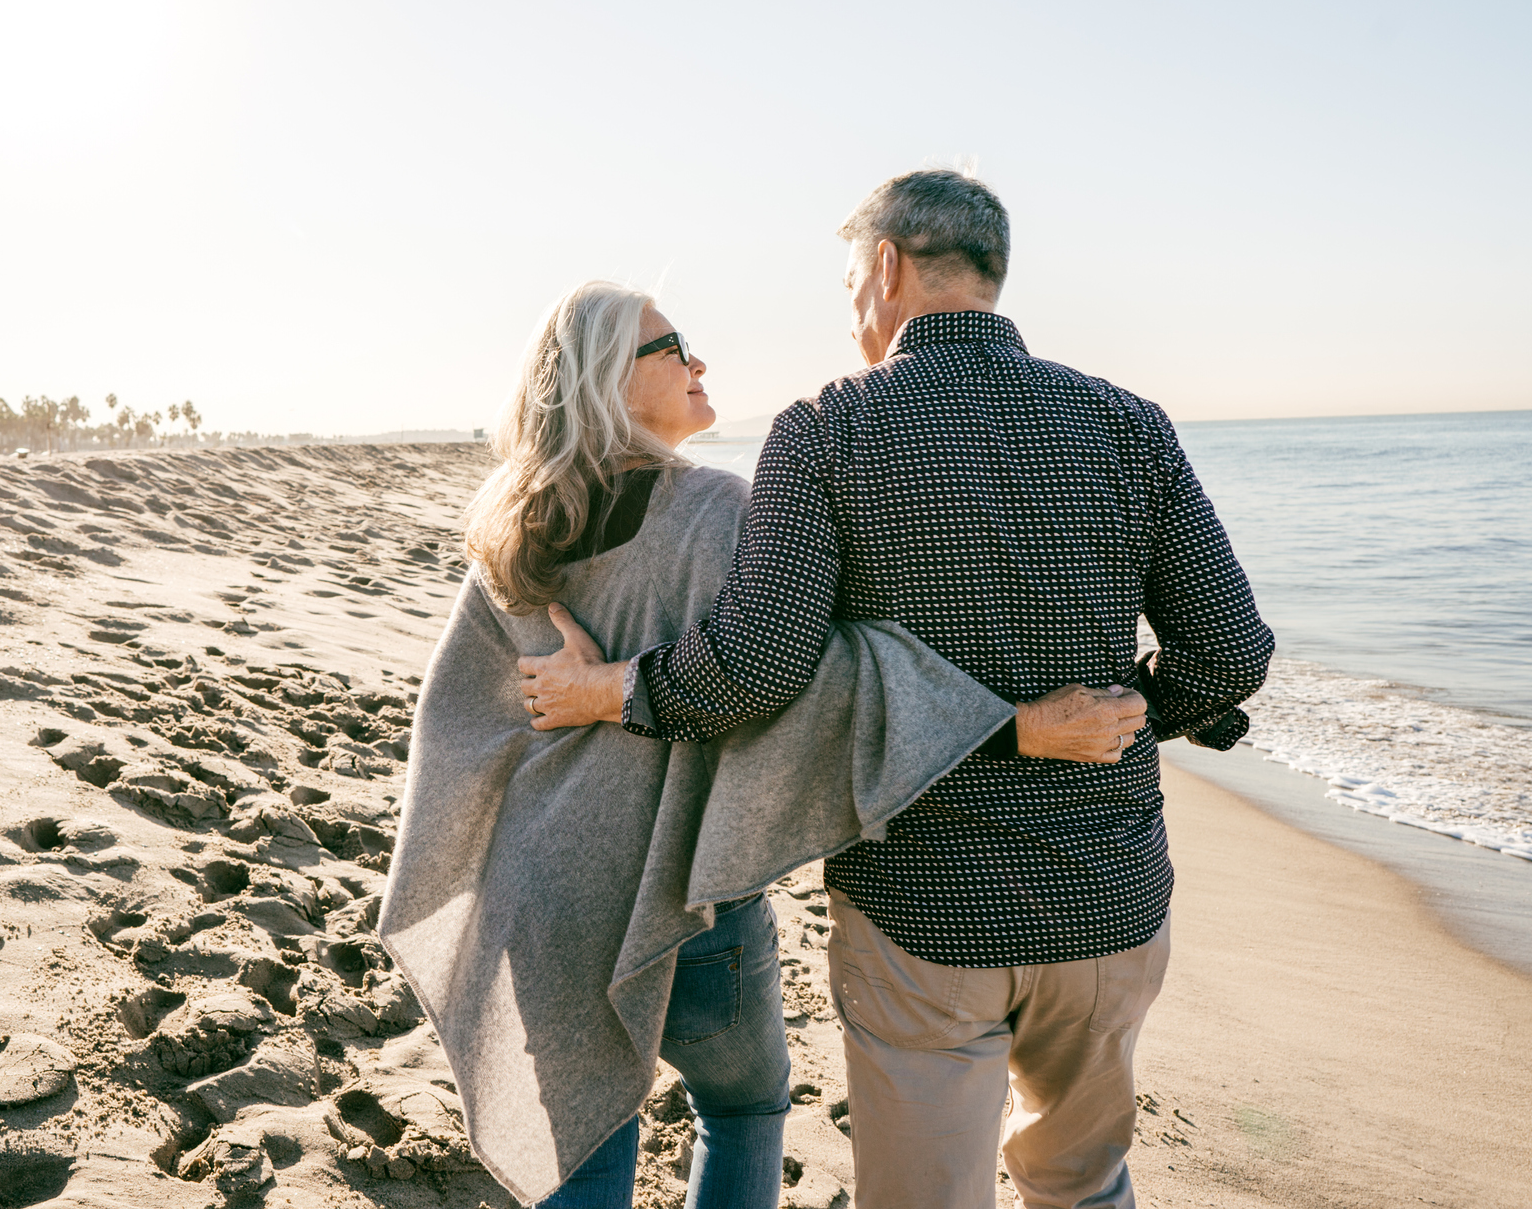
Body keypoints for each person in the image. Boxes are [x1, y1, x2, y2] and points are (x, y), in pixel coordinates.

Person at [519, 170, 1276, 1209]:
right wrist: (1134, 708)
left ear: (885, 268)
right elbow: (1229, 653)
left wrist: (614, 689)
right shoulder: (1125, 421)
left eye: (845, 286)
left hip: (924, 907)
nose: (847, 318)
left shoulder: (827, 429)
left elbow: (756, 667)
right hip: (1108, 896)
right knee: (1083, 1186)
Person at [378, 281, 1147, 1209]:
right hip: (689, 897)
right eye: (673, 349)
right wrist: (1015, 722)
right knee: (742, 1109)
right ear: (609, 381)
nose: (699, 362)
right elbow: (811, 682)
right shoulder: (716, 513)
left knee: (582, 1141)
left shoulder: (512, 525)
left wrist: (569, 719)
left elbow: (459, 715)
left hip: (543, 895)